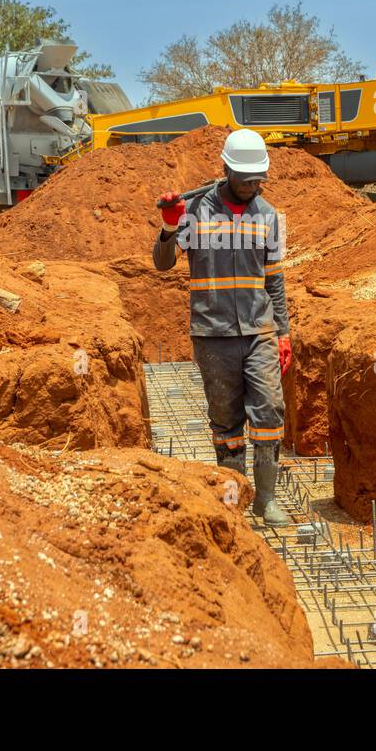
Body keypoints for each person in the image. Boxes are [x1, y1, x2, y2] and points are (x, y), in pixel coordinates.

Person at [152, 129, 293, 526]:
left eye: (259, 178)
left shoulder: (267, 216)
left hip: (258, 330)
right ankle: (236, 498)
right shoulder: (194, 212)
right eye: (247, 177)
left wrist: (282, 332)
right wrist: (168, 228)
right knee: (226, 421)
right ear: (227, 169)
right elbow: (162, 263)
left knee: (268, 411)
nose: (254, 184)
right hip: (213, 334)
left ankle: (266, 500)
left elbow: (275, 280)